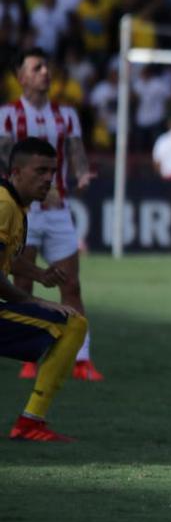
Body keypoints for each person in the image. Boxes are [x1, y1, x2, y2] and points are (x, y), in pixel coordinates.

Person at [0, 48, 101, 381]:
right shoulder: (7, 115)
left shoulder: (66, 115)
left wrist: (83, 174)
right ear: (21, 77)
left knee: (71, 284)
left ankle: (82, 357)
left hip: (58, 212)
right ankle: (31, 354)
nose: (45, 72)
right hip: (23, 209)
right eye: (37, 67)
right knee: (23, 280)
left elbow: (76, 154)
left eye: (47, 66)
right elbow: (4, 162)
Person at [1, 137, 89, 441]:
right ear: (16, 172)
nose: (48, 179)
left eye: (52, 171)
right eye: (40, 171)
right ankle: (31, 422)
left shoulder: (16, 206)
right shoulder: (4, 206)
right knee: (73, 324)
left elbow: (7, 261)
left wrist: (38, 273)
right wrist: (34, 300)